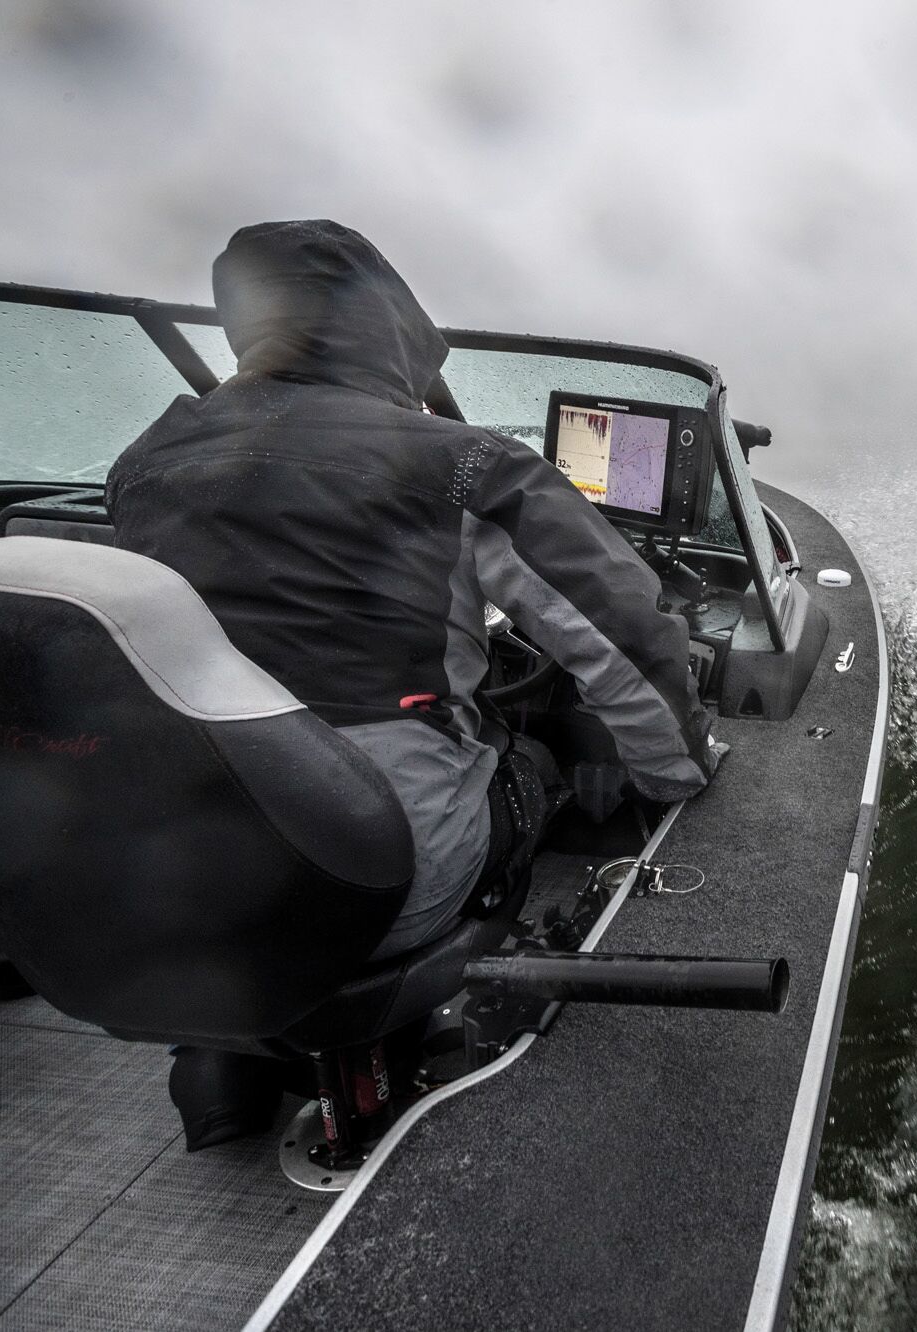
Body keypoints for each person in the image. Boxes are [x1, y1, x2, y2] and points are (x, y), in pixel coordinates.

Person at [107, 222, 720, 1146]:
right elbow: (624, 640)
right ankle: (467, 1000)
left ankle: (227, 1049)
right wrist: (679, 779)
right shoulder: (466, 466)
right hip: (382, 880)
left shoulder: (146, 463)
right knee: (538, 764)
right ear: (388, 325)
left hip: (181, 884)